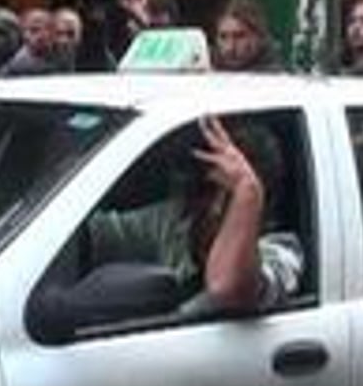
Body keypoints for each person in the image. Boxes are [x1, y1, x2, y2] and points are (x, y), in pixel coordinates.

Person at [82, 117, 303, 317]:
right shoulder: (179, 220)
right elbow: (94, 235)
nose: (214, 207)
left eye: (227, 195)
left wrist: (247, 190)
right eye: (206, 187)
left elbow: (226, 287)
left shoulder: (282, 252)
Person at [212, 0, 282, 73]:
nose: (230, 48)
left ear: (258, 36)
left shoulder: (275, 77)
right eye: (223, 37)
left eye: (239, 36)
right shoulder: (208, 73)